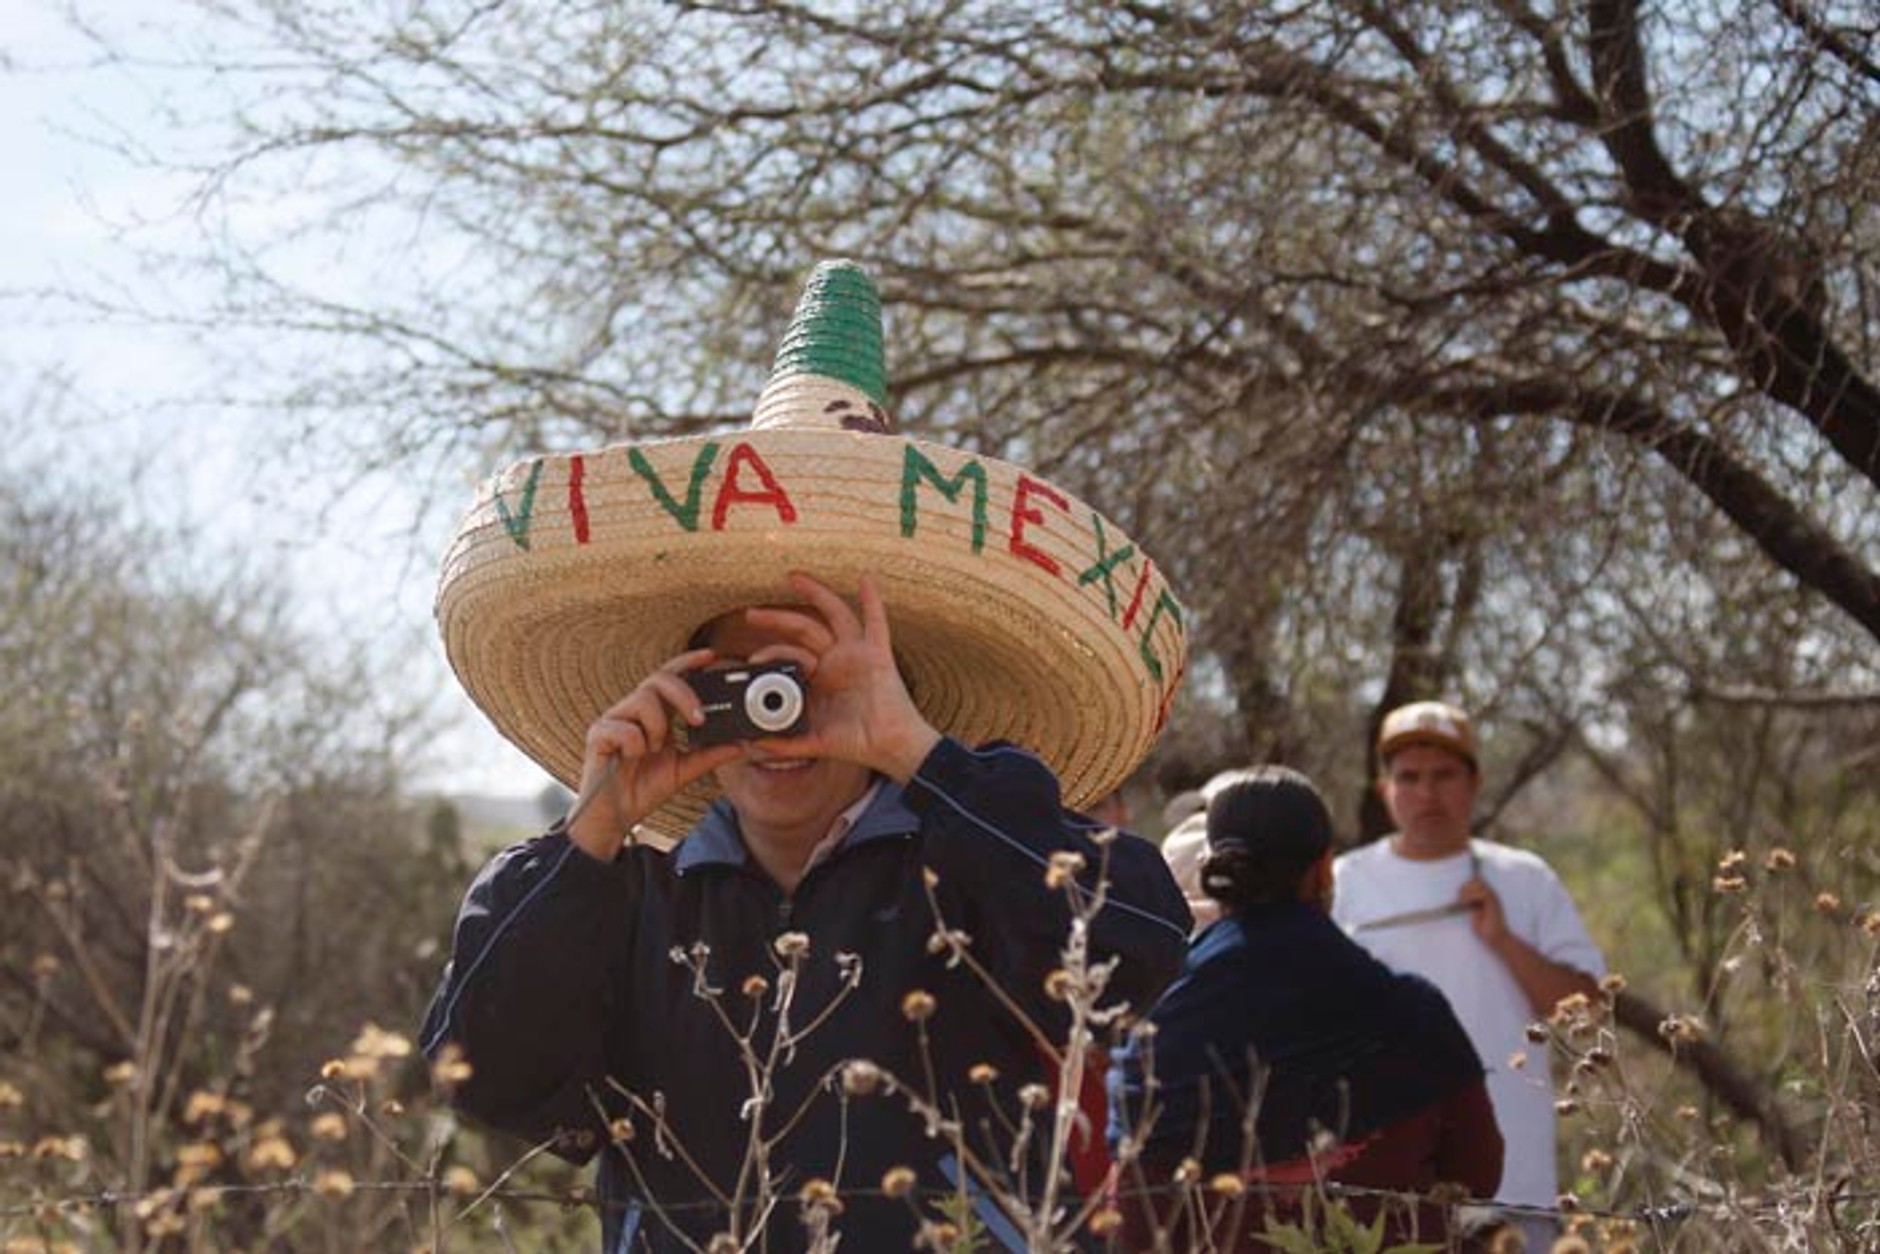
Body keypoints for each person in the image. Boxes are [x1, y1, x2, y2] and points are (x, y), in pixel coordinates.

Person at [420, 260, 1193, 1252]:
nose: (774, 716)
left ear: (885, 680)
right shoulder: (631, 900)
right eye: (734, 681)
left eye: (805, 677)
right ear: (682, 687)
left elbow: (1140, 947)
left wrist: (921, 757)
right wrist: (593, 830)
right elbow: (482, 1076)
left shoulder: (970, 876)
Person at [1108, 766, 1503, 1249]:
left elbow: (1135, 1224)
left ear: (1216, 872)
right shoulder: (1414, 1017)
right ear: (1324, 869)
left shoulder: (1154, 1047)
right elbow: (1477, 1176)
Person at [1333, 701, 1605, 1252]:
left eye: (1443, 775)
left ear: (1474, 782)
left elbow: (1587, 1012)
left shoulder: (1524, 878)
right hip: (1387, 1190)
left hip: (1514, 1190)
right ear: (1384, 788)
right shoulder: (1346, 882)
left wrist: (1502, 939)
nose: (1427, 794)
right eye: (1408, 777)